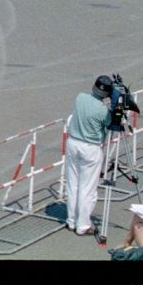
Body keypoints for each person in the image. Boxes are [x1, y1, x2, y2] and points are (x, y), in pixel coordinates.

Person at [64, 76, 112, 238]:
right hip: (91, 147)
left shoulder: (80, 98)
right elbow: (110, 123)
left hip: (73, 143)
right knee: (88, 189)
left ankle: (71, 220)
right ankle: (82, 225)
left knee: (73, 184)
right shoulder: (102, 110)